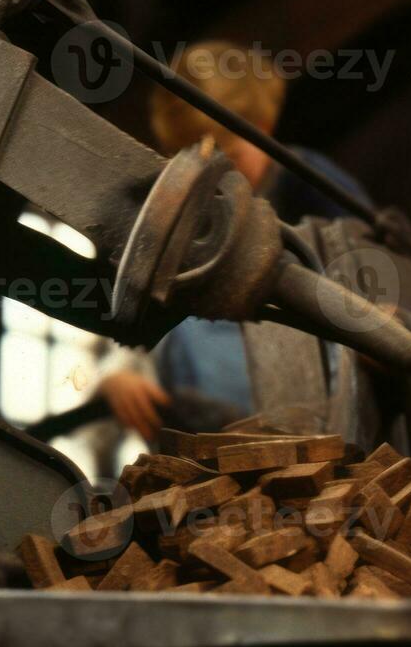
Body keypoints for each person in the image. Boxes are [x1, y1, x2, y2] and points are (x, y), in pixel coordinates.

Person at [97, 40, 373, 440]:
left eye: (232, 157)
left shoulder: (311, 184)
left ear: (262, 129)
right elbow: (135, 293)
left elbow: (372, 264)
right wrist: (118, 370)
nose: (220, 180)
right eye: (197, 162)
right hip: (209, 413)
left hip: (313, 396)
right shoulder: (177, 206)